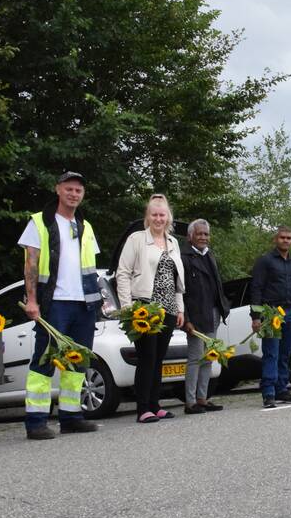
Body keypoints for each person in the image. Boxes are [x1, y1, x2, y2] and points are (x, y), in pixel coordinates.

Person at [19, 171, 101, 440]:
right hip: (53, 302)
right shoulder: (39, 222)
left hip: (84, 303)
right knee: (44, 360)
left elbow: (92, 268)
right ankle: (36, 421)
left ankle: (71, 416)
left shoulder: (85, 225)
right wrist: (32, 300)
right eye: (69, 189)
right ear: (57, 190)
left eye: (78, 190)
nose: (74, 194)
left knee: (78, 362)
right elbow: (31, 263)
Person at [116, 195, 185, 422]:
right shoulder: (136, 239)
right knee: (147, 357)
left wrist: (180, 309)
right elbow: (123, 273)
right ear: (148, 217)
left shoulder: (173, 242)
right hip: (145, 307)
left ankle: (156, 405)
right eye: (154, 214)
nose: (158, 219)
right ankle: (143, 408)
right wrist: (127, 307)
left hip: (168, 308)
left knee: (158, 359)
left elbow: (177, 280)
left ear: (168, 217)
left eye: (162, 215)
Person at [251, 226, 291, 408]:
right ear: (275, 239)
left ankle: (281, 389)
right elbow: (256, 288)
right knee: (271, 353)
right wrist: (256, 316)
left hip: (290, 313)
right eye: (282, 237)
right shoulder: (265, 261)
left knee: (285, 354)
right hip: (271, 313)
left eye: (289, 238)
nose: (285, 240)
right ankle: (268, 392)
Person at [181, 218, 230, 414]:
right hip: (195, 316)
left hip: (212, 313)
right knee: (195, 359)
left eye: (206, 234)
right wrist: (186, 318)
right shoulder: (184, 258)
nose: (203, 237)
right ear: (190, 236)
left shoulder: (210, 255)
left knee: (208, 358)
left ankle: (203, 398)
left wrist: (223, 307)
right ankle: (190, 402)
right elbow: (180, 291)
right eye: (199, 234)